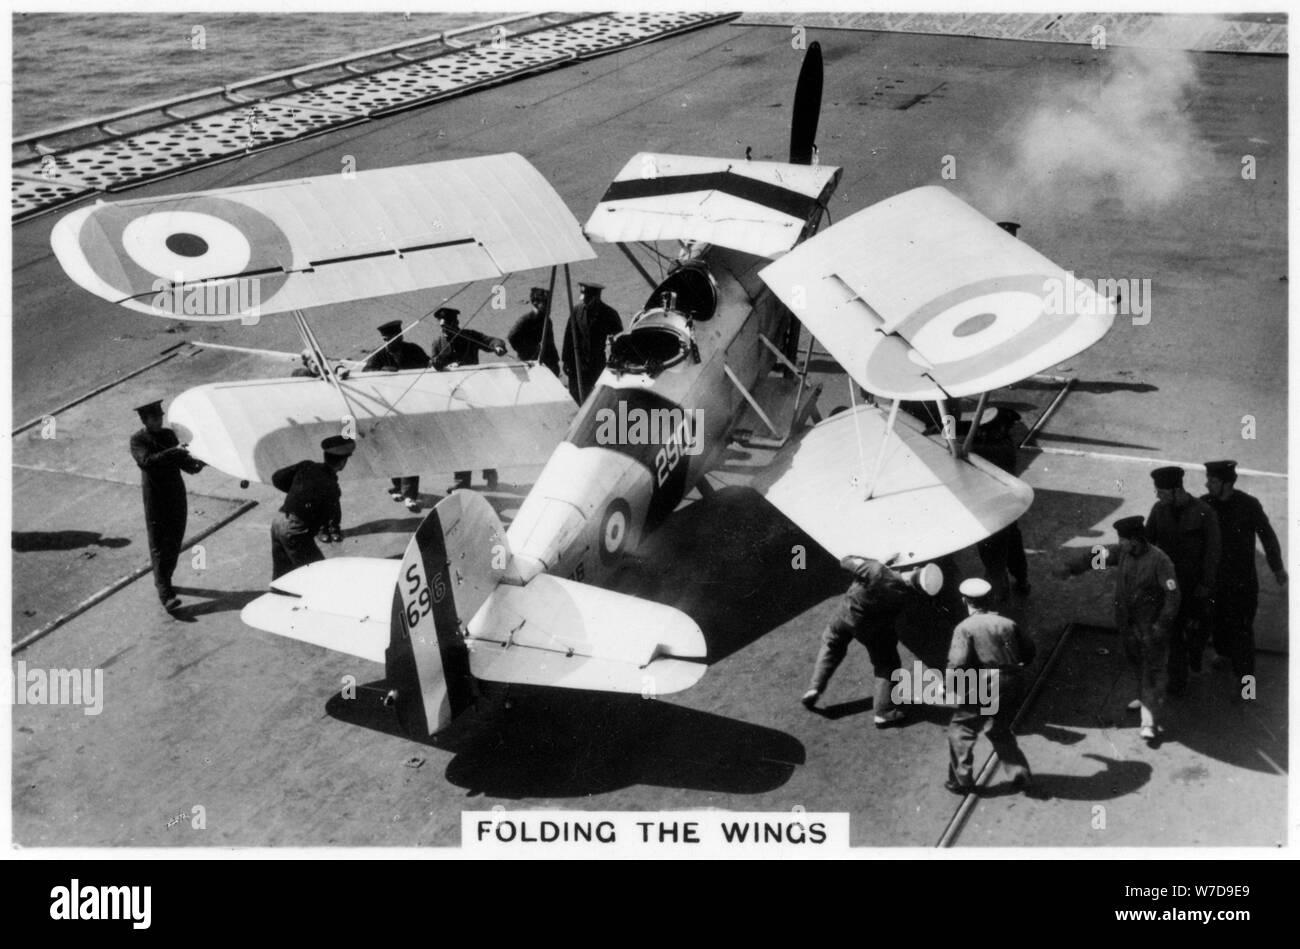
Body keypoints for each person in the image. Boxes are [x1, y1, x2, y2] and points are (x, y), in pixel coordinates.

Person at [802, 554, 940, 727]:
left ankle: (815, 687)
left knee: (832, 644)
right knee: (887, 666)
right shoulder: (910, 596)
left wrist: (874, 561)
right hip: (874, 630)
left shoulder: (876, 570)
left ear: (915, 569)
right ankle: (885, 711)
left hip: (846, 615)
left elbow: (846, 561)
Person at [1202, 460, 1287, 696]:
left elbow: (1267, 536)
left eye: (1213, 480)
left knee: (1242, 629)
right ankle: (1223, 653)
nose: (1207, 484)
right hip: (1216, 579)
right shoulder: (1204, 504)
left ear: (1227, 483)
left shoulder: (1248, 505)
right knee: (1217, 619)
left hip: (1242, 580)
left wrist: (1277, 568)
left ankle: (1246, 681)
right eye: (1208, 479)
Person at [945, 577, 1037, 794]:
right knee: (999, 728)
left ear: (965, 601)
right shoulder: (1007, 623)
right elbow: (1029, 652)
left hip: (985, 683)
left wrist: (949, 685)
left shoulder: (964, 627)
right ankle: (1019, 773)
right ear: (990, 599)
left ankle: (961, 780)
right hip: (1013, 681)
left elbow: (957, 662)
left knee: (962, 728)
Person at [1145, 466, 1220, 695]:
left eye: (1162, 492)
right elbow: (1148, 542)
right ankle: (1178, 679)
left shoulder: (1204, 512)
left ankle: (1195, 655)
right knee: (1174, 632)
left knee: (1198, 630)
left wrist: (1206, 583)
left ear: (1177, 490)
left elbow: (1213, 551)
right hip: (1170, 586)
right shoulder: (1158, 510)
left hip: (1196, 586)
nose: (1158, 496)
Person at [129, 400, 205, 613]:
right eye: (154, 419)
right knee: (159, 543)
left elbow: (188, 466)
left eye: (160, 417)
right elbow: (147, 462)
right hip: (156, 498)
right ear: (144, 420)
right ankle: (165, 592)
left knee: (175, 539)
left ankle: (165, 578)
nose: (158, 421)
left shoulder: (169, 436)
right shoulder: (138, 440)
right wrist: (175, 452)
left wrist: (204, 459)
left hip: (176, 494)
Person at [1111, 516, 1181, 745]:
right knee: (1137, 665)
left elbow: (1172, 596)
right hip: (1128, 625)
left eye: (1122, 539)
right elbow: (1097, 558)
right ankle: (1144, 698)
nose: (1119, 543)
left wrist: (1162, 623)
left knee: (1151, 671)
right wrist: (1072, 568)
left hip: (1150, 628)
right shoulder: (1123, 554)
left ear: (1135, 540)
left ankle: (1148, 723)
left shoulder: (1161, 561)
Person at [430, 307, 507, 491]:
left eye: (448, 327)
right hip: (454, 397)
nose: (445, 332)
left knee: (483, 436)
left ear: (456, 324)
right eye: (442, 328)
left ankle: (490, 474)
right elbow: (434, 364)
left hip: (476, 393)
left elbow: (491, 340)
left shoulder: (468, 336)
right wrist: (443, 365)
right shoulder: (437, 343)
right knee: (460, 440)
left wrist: (498, 347)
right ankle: (461, 484)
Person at [363, 320, 428, 511]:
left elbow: (428, 367)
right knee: (390, 450)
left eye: (390, 338)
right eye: (384, 339)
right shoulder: (378, 355)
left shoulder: (414, 350)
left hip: (410, 408)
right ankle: (397, 486)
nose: (387, 343)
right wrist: (382, 372)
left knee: (409, 449)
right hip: (386, 411)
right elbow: (366, 375)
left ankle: (410, 494)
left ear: (401, 336)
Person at [269, 436, 354, 581]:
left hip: (278, 521)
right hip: (295, 530)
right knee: (319, 575)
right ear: (342, 463)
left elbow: (277, 478)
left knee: (283, 575)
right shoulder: (331, 487)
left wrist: (295, 495)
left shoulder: (307, 465)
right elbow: (326, 518)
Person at [970, 406, 1030, 599]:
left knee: (993, 555)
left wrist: (946, 435)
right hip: (1008, 507)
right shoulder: (1000, 442)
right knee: (1013, 547)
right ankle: (1022, 581)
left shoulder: (997, 449)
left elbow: (966, 448)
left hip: (992, 510)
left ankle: (999, 593)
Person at [562, 281, 622, 404]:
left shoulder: (609, 314)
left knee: (597, 399)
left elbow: (618, 340)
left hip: (597, 365)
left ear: (596, 297)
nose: (583, 299)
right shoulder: (577, 310)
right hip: (577, 364)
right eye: (583, 295)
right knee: (576, 396)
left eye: (587, 297)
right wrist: (566, 360)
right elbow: (569, 336)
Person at [508, 286, 561, 376]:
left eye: (549, 303)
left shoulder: (547, 320)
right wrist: (530, 350)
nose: (549, 307)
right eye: (545, 303)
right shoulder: (525, 320)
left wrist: (555, 363)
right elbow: (512, 337)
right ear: (535, 303)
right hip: (530, 363)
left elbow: (550, 343)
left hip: (547, 364)